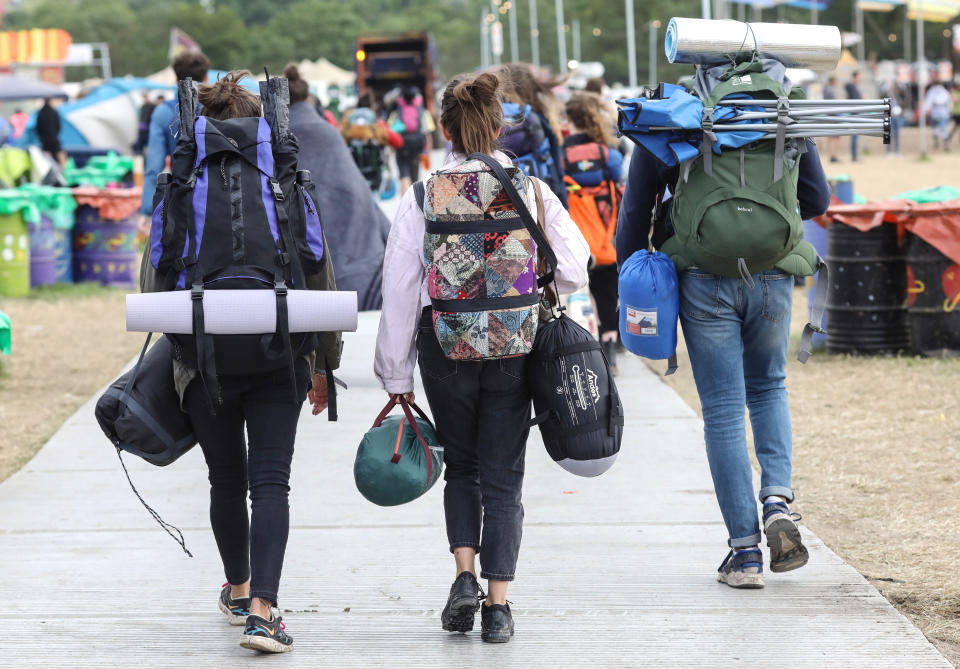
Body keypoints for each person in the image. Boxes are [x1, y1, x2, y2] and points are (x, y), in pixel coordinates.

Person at [374, 70, 589, 643]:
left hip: (445, 345)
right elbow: (572, 268)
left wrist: (395, 374)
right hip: (515, 347)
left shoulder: (422, 195)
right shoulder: (533, 190)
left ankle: (463, 576)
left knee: (462, 468)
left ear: (443, 129)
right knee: (504, 477)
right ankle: (498, 606)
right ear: (499, 127)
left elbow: (398, 289)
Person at [139, 71, 341, 654]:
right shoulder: (282, 173)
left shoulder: (180, 177)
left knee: (225, 479)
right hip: (280, 353)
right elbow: (317, 270)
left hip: (203, 360)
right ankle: (263, 612)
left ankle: (238, 587)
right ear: (258, 122)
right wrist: (325, 361)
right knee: (270, 484)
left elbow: (155, 278)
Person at [617, 122, 831, 589]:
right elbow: (818, 201)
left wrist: (631, 271)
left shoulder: (673, 115)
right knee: (770, 387)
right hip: (773, 272)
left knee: (723, 411)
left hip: (702, 276)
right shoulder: (780, 113)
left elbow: (635, 210)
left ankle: (746, 554)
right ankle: (777, 498)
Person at [285, 63, 390, 310]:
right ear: (309, 98)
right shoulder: (329, 134)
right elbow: (359, 193)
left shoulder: (278, 139)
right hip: (359, 272)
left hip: (300, 279)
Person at [562, 91, 624, 370]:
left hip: (574, 237)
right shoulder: (607, 154)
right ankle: (610, 350)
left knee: (577, 292)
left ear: (569, 119)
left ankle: (582, 345)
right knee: (608, 293)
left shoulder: (561, 155)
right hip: (604, 235)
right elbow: (619, 184)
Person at [138, 51, 210, 233]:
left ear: (175, 77)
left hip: (181, 194)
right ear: (206, 76)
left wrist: (148, 209)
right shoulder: (215, 106)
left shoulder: (162, 112)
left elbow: (154, 165)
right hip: (215, 194)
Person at [498, 62, 569, 207]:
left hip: (502, 202)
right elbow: (556, 168)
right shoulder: (536, 117)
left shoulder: (490, 117)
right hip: (539, 198)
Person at [341, 90, 402, 192]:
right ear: (372, 106)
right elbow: (398, 142)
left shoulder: (347, 125)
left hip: (354, 173)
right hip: (374, 172)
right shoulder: (376, 124)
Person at [387, 86, 435, 195]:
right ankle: (414, 206)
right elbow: (427, 135)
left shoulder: (396, 112)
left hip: (402, 146)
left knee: (404, 175)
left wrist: (390, 151)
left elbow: (391, 133)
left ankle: (404, 205)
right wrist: (428, 155)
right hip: (416, 146)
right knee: (415, 178)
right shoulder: (422, 111)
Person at [923, 80, 952, 151]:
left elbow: (928, 102)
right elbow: (949, 102)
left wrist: (924, 110)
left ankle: (937, 142)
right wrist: (949, 112)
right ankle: (944, 142)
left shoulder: (932, 91)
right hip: (943, 112)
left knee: (935, 128)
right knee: (943, 129)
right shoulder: (945, 92)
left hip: (935, 112)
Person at [879, 79, 904, 156]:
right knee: (888, 134)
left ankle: (897, 150)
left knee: (897, 134)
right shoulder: (885, 93)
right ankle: (888, 151)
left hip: (896, 116)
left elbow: (902, 95)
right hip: (889, 116)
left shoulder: (897, 93)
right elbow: (881, 96)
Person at [35, 98, 63, 166]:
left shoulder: (40, 113)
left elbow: (38, 128)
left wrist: (41, 137)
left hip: (45, 139)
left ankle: (51, 169)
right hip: (54, 138)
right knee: (59, 154)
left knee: (47, 157)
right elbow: (58, 126)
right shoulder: (54, 112)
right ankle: (62, 171)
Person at [845, 71, 862, 162]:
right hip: (854, 113)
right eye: (859, 77)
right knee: (854, 136)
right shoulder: (851, 86)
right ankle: (854, 156)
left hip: (855, 113)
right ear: (855, 77)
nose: (860, 79)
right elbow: (847, 86)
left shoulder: (854, 87)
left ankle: (855, 156)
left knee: (855, 136)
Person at [823, 75, 840, 163]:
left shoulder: (826, 90)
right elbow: (833, 105)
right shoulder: (830, 90)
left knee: (831, 137)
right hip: (833, 116)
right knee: (834, 137)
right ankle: (833, 155)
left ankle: (831, 155)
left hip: (829, 116)